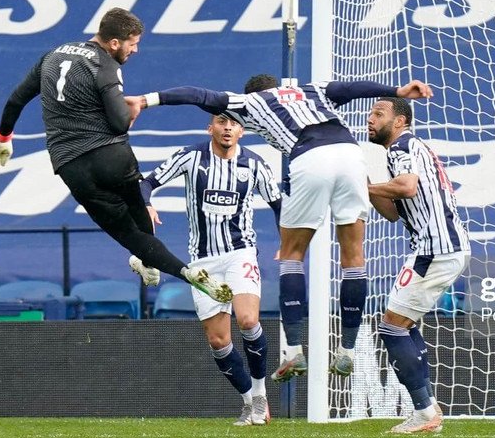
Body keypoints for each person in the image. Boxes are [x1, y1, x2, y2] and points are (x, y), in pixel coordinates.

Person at [127, 74, 434, 382]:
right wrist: (397, 90)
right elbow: (353, 89)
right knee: (354, 256)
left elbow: (198, 93)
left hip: (310, 157)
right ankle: (348, 351)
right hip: (350, 154)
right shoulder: (311, 89)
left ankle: (293, 352)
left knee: (292, 255)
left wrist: (145, 100)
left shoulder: (250, 102)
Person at [0, 7, 232, 302]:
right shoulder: (105, 65)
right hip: (112, 157)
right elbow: (118, 122)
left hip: (71, 164)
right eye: (132, 44)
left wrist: (3, 138)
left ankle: (181, 271)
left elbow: (16, 99)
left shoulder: (51, 56)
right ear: (114, 43)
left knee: (129, 235)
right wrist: (128, 108)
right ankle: (157, 262)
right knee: (139, 218)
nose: (135, 50)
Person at [140, 113, 282, 426]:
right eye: (221, 122)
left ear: (242, 131)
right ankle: (247, 403)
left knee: (248, 319)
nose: (228, 127)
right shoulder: (191, 157)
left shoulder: (255, 164)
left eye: (234, 123)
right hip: (203, 261)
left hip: (239, 253)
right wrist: (147, 204)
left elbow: (278, 204)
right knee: (219, 341)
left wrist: (288, 242)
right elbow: (147, 183)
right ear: (210, 128)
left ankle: (260, 397)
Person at [366, 97, 470, 434]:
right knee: (403, 325)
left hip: (435, 249)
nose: (370, 119)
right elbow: (395, 213)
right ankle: (428, 408)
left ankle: (425, 412)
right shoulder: (409, 149)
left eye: (378, 114)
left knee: (392, 327)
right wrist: (368, 190)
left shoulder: (402, 146)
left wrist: (361, 185)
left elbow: (407, 188)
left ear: (399, 121)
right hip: (440, 247)